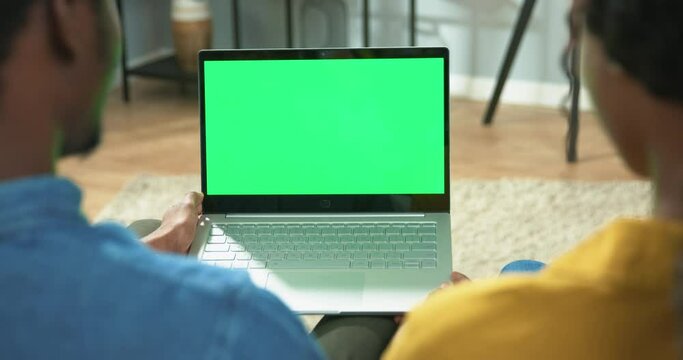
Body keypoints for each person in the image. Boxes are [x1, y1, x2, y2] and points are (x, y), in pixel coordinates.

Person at [0, 1, 323, 358]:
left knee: (144, 228)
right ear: (67, 14)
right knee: (365, 326)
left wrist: (159, 242)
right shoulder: (234, 322)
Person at [381, 0, 683, 358]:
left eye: (576, 26)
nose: (569, 49)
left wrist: (467, 321)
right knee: (519, 271)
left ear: (622, 57)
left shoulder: (437, 338)